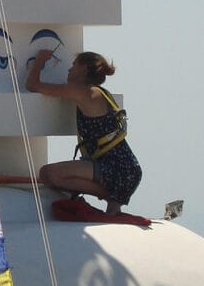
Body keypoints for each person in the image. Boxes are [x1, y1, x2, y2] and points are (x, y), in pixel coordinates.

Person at [26, 49, 142, 216]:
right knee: (112, 217)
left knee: (48, 174)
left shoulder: (84, 92)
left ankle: (109, 194)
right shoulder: (100, 93)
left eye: (74, 65)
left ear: (84, 69)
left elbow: (33, 85)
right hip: (125, 168)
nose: (69, 69)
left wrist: (40, 61)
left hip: (116, 169)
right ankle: (113, 200)